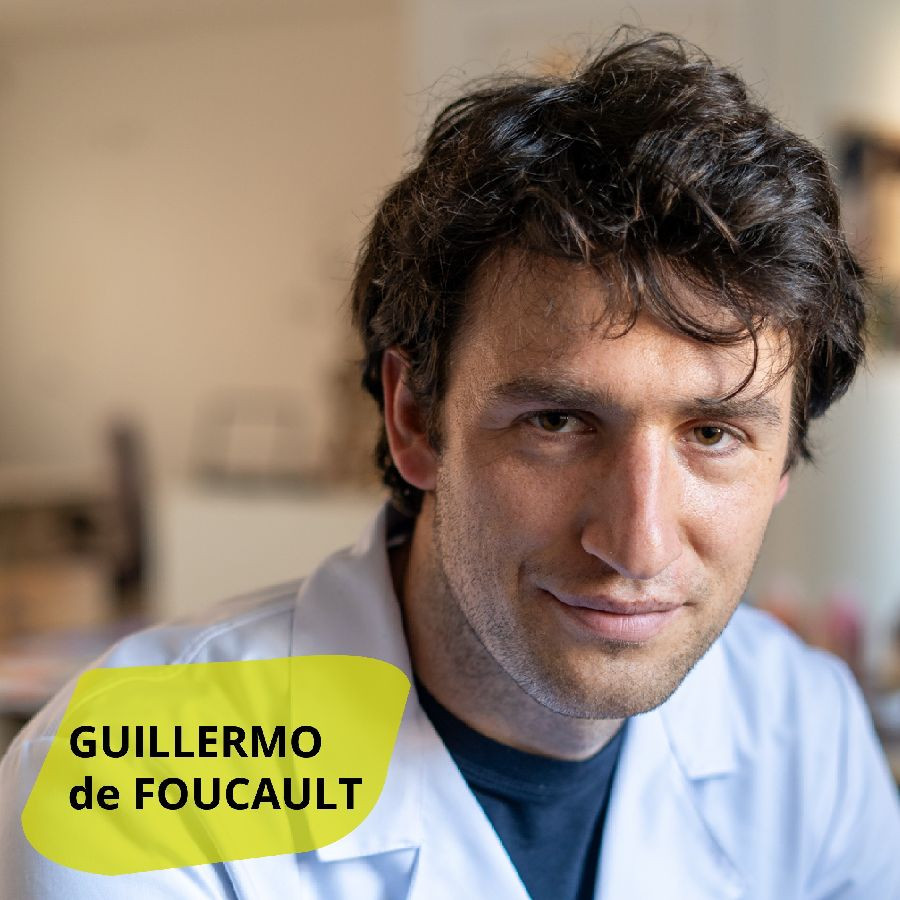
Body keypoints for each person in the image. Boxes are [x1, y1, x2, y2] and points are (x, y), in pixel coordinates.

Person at [2, 31, 899, 899]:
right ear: (415, 420)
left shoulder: (804, 728)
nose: (639, 544)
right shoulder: (128, 773)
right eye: (557, 421)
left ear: (785, 457)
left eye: (714, 435)